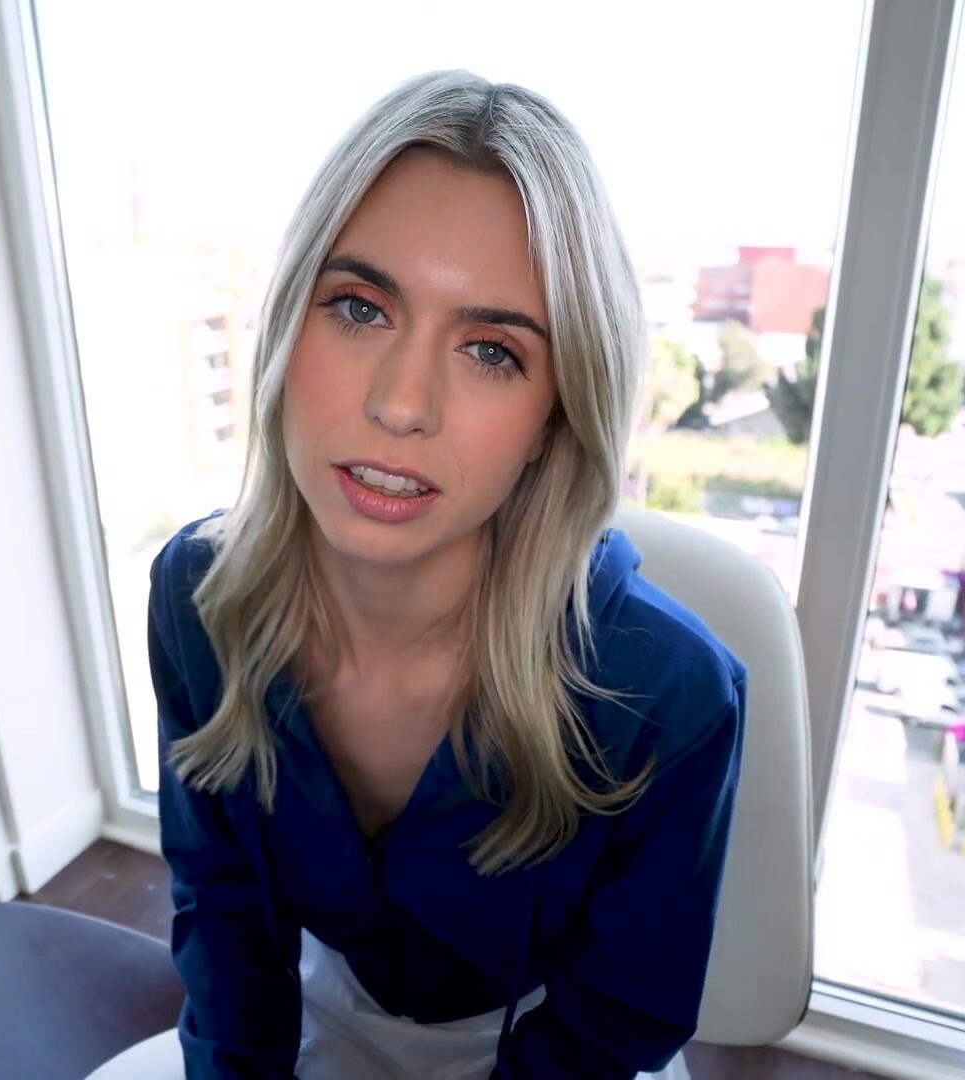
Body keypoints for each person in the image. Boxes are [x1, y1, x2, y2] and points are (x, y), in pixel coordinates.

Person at [137, 70, 747, 1079]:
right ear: (287, 327)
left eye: (492, 352)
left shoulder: (672, 697)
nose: (402, 403)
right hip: (324, 1008)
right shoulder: (199, 600)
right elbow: (225, 912)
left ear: (553, 416)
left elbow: (615, 1020)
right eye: (359, 308)